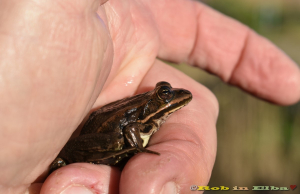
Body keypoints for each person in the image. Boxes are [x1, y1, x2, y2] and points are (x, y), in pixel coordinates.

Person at [0, 0, 299, 193]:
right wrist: (137, 150)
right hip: (103, 136)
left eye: (165, 93)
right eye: (165, 94)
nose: (172, 97)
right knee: (124, 145)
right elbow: (130, 128)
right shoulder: (142, 113)